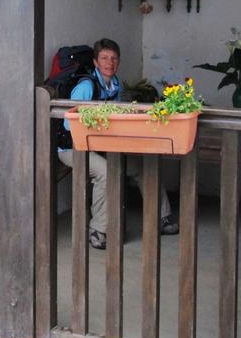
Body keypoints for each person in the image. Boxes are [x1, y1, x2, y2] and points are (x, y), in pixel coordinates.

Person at [58, 38, 179, 250]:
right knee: (106, 172)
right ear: (95, 62)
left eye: (114, 58)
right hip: (73, 147)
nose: (109, 63)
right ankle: (98, 230)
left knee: (143, 165)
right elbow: (69, 125)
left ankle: (162, 217)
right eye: (104, 58)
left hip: (103, 145)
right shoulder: (86, 87)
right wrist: (98, 127)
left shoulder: (115, 84)